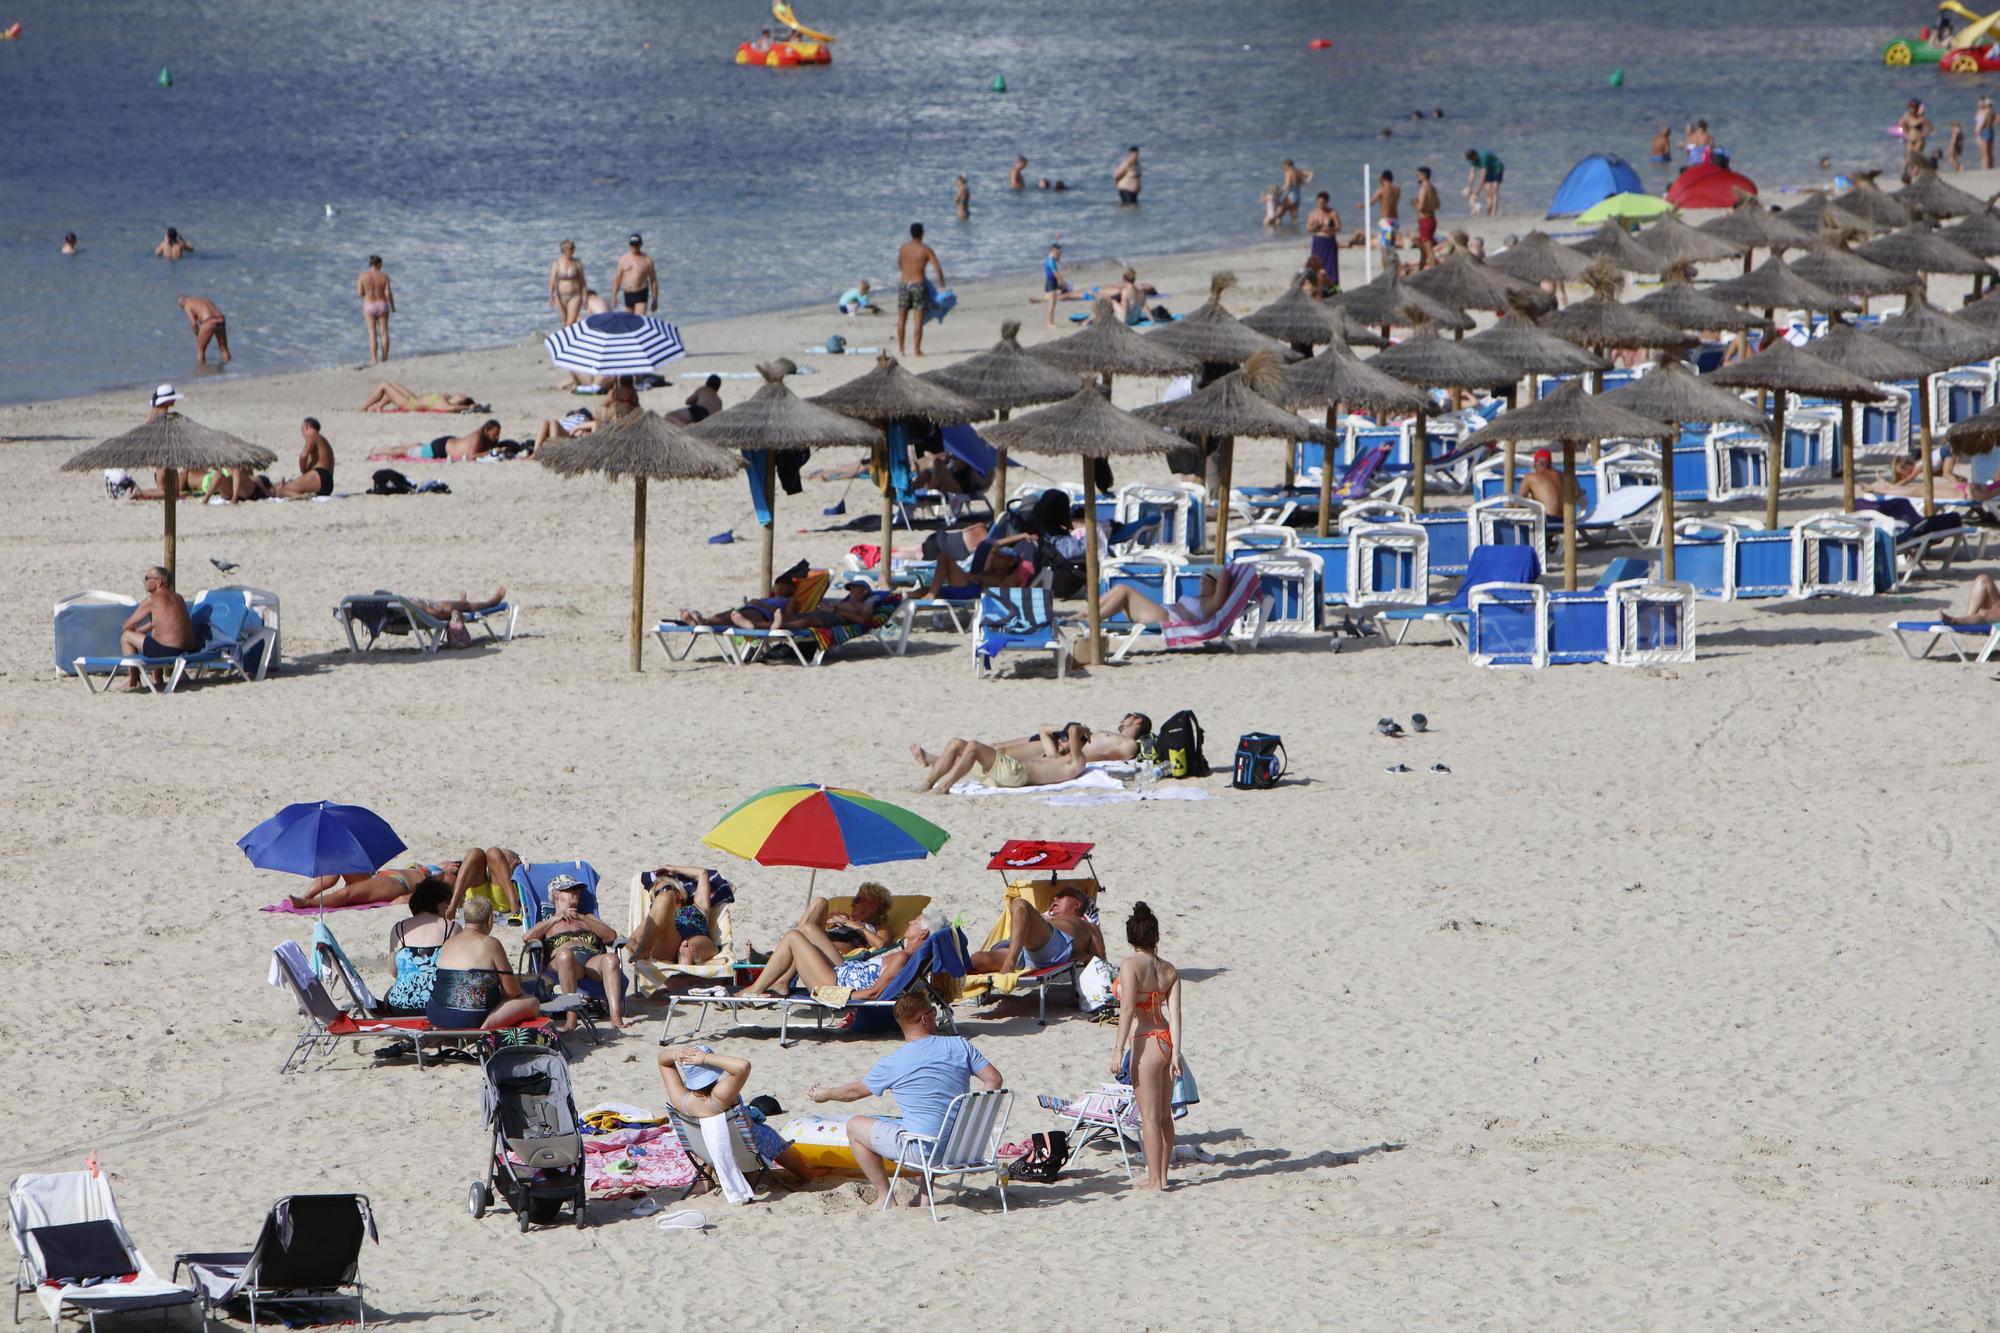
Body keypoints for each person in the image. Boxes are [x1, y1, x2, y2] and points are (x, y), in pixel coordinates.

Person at [807, 990, 1003, 1209]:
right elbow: (994, 1080)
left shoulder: (895, 1062)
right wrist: (973, 1126)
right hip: (963, 1148)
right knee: (934, 1120)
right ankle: (924, 1195)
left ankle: (885, 1197)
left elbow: (854, 1092)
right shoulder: (960, 1046)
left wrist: (827, 1094)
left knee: (854, 1127)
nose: (936, 1015)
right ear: (924, 1018)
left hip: (926, 1152)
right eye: (934, 1011)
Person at [657, 1047, 816, 1188]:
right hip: (741, 1153)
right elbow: (743, 1066)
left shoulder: (682, 1100)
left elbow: (663, 1061)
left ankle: (704, 1181)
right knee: (769, 1134)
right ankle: (807, 1174)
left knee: (703, 1130)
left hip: (709, 1154)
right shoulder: (720, 1097)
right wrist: (705, 1058)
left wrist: (677, 1054)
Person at [1110, 901, 1183, 1191]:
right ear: (1156, 937)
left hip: (1144, 1041)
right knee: (1164, 1116)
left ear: (1131, 938)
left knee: (1149, 1116)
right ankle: (1162, 1176)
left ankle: (1155, 1180)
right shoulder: (1169, 970)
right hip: (1165, 1038)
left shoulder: (1129, 966)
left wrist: (1117, 1050)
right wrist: (1176, 1051)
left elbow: (1127, 1010)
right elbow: (1175, 1013)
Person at [733, 908, 947, 1001]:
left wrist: (838, 996)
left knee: (792, 937)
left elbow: (873, 994)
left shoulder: (902, 959)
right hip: (844, 970)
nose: (910, 922)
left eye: (916, 922)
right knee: (807, 928)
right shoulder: (903, 955)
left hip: (835, 983)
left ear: (924, 933)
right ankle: (782, 980)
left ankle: (755, 989)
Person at [523, 874, 628, 1031]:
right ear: (556, 894)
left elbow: (610, 937)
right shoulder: (547, 922)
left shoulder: (588, 917)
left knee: (611, 959)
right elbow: (527, 938)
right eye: (570, 889)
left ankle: (616, 1017)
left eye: (578, 890)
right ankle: (571, 1018)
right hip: (562, 962)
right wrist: (554, 919)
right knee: (566, 955)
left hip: (591, 961)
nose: (576, 892)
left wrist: (582, 918)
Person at [289, 845, 520, 913]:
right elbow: (344, 893)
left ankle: (309, 902)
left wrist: (434, 869)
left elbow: (346, 894)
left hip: (407, 882)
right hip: (462, 890)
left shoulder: (376, 882)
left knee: (489, 853)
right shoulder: (376, 884)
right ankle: (308, 896)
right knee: (338, 860)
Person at [428, 899, 541, 1031]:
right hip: (470, 1019)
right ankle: (487, 1026)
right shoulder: (491, 943)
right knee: (532, 1003)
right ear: (490, 920)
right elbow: (512, 992)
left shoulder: (449, 942)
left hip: (436, 1014)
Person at [910, 723, 1091, 794]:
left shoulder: (1076, 762)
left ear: (1078, 744)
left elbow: (1074, 729)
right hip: (1001, 774)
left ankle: (944, 787)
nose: (1061, 740)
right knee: (956, 743)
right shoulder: (1054, 754)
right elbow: (1044, 728)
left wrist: (1083, 730)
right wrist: (1063, 734)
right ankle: (928, 782)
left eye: (1066, 740)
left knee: (973, 745)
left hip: (1016, 775)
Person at [968, 882, 1103, 975]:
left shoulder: (1089, 926)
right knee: (978, 958)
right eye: (1055, 898)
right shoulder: (1047, 919)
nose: (1055, 898)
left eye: (1062, 896)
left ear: (1077, 903)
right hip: (1026, 953)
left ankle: (1009, 964)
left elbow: (1102, 965)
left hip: (1054, 946)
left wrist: (1086, 957)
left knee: (1019, 904)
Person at [380, 878, 459, 1015]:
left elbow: (394, 972)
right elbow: (458, 970)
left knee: (390, 993)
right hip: (439, 1007)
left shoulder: (398, 928)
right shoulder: (451, 927)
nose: (449, 907)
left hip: (400, 1007)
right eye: (447, 903)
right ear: (439, 903)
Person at [626, 864, 731, 966]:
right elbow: (631, 940)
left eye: (665, 889)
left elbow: (702, 873)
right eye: (656, 895)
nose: (662, 894)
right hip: (670, 940)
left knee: (690, 947)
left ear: (679, 893)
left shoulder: (698, 906)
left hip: (695, 936)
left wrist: (674, 869)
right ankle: (687, 960)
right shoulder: (655, 918)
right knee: (665, 899)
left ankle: (686, 958)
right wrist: (635, 945)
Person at [119, 565, 195, 690]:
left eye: (147, 578)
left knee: (126, 636)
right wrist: (149, 626)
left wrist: (136, 631)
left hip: (168, 651)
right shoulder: (178, 597)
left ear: (158, 582)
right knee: (156, 634)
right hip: (188, 649)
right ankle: (157, 678)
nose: (145, 581)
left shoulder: (153, 600)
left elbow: (127, 625)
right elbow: (166, 625)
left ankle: (134, 680)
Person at [1092, 566, 1238, 630]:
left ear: (1217, 586)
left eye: (1207, 581)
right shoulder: (1202, 599)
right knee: (1119, 589)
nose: (1202, 583)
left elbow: (1226, 573)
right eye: (1201, 580)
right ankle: (1088, 614)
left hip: (1167, 618)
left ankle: (1091, 619)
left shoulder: (1213, 603)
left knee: (1124, 590)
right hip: (1163, 611)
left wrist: (1230, 569)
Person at [989, 711, 1151, 763]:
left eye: (1128, 716)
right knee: (996, 746)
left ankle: (967, 757)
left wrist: (1068, 758)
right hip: (1060, 738)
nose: (1122, 719)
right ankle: (965, 754)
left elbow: (1105, 756)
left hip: (1059, 748)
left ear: (1138, 720)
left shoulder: (1130, 744)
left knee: (1002, 752)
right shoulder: (1116, 736)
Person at [896, 222, 945, 357]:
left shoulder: (903, 249)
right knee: (917, 319)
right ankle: (916, 350)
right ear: (922, 233)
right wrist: (941, 286)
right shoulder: (925, 250)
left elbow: (900, 265)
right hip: (918, 284)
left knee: (902, 319)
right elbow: (938, 269)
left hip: (904, 284)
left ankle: (901, 350)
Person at [369, 419, 504, 461]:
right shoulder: (477, 436)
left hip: (448, 443)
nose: (496, 438)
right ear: (487, 430)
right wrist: (491, 452)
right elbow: (470, 456)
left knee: (417, 447)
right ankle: (378, 450)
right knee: (406, 452)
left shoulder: (485, 438)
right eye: (495, 434)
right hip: (441, 448)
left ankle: (386, 449)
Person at [269, 417, 336, 498]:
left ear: (306, 427)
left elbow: (303, 456)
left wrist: (303, 471)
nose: (303, 434)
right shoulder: (323, 440)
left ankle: (303, 496)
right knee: (286, 486)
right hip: (328, 484)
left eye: (302, 431)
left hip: (319, 476)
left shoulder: (312, 436)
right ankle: (303, 495)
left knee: (281, 490)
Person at [1518, 446, 1578, 514]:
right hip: (1565, 520)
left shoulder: (1530, 478)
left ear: (1535, 464)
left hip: (1548, 520)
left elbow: (1518, 503)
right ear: (1550, 464)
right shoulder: (1562, 475)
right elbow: (1577, 493)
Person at [357, 255, 395, 364]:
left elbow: (360, 293)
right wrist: (392, 306)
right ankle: (385, 358)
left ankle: (374, 359)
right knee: (384, 332)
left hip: (369, 305)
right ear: (378, 264)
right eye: (381, 264)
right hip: (382, 304)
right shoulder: (384, 276)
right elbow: (388, 293)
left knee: (372, 332)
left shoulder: (362, 276)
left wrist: (368, 294)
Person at [358, 382, 482, 413]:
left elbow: (451, 409)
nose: (458, 394)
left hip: (410, 405)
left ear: (459, 402)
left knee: (384, 385)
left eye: (460, 396)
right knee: (393, 384)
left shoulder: (445, 405)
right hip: (414, 398)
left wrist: (468, 406)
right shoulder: (447, 397)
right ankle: (378, 406)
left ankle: (363, 407)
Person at [613, 233, 659, 314]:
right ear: (629, 245)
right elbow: (617, 279)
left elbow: (653, 281)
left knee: (639, 320)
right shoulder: (623, 259)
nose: (634, 247)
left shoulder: (647, 260)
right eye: (632, 245)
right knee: (629, 323)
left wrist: (655, 300)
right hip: (628, 293)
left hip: (641, 293)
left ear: (641, 244)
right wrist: (614, 297)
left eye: (636, 245)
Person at [178, 294, 229, 365]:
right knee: (223, 347)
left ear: (182, 302)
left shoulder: (187, 305)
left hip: (208, 321)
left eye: (182, 307)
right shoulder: (205, 300)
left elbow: (194, 324)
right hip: (221, 319)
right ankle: (229, 368)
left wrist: (197, 334)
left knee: (200, 348)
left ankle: (201, 371)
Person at [1306, 192, 1342, 291]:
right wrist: (1315, 227)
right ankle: (1316, 285)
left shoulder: (1332, 212)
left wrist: (1330, 228)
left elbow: (1338, 227)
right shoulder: (1313, 213)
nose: (1321, 205)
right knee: (1316, 264)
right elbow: (1308, 228)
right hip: (1318, 241)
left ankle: (1333, 287)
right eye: (1319, 203)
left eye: (1323, 203)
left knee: (1331, 266)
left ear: (1326, 202)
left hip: (1329, 241)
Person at [547, 239, 587, 326]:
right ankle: (569, 338)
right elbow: (552, 281)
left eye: (573, 248)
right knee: (564, 322)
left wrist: (585, 297)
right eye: (570, 248)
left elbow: (583, 281)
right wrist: (550, 295)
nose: (572, 250)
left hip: (575, 295)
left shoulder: (577, 263)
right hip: (561, 296)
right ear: (564, 249)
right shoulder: (557, 263)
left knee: (570, 322)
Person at [1413, 166, 1441, 268]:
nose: (1417, 177)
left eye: (1419, 175)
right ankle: (1420, 269)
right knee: (1423, 249)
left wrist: (1415, 204)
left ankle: (1434, 271)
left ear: (1424, 175)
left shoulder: (1423, 188)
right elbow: (1438, 205)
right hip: (1432, 219)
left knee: (1429, 251)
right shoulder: (1432, 188)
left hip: (1425, 221)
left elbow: (1421, 207)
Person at [1900, 99, 1933, 183]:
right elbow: (1901, 125)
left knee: (1916, 157)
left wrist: (1924, 134)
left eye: (1913, 108)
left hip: (1919, 140)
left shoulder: (1921, 117)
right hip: (1910, 140)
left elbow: (1930, 127)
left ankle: (1912, 176)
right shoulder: (1906, 116)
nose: (1912, 109)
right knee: (1907, 157)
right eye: (1911, 108)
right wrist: (1906, 134)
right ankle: (1903, 174)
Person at [1368, 169, 1401, 252]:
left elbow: (1370, 202)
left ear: (1382, 178)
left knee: (1386, 246)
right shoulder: (1397, 189)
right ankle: (1392, 264)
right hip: (1395, 221)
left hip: (1387, 223)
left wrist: (1360, 205)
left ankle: (1387, 264)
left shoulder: (1382, 190)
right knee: (1391, 245)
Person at [1463, 148, 1503, 216]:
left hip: (1497, 168)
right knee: (1488, 191)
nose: (1472, 161)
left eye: (1472, 159)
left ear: (1475, 156)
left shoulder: (1483, 158)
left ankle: (1494, 212)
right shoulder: (1473, 159)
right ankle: (1488, 211)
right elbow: (1472, 173)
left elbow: (1482, 177)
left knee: (1494, 189)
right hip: (1488, 170)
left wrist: (1476, 192)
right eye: (1470, 160)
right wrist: (1469, 186)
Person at [1043, 239, 1071, 327]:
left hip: (1051, 282)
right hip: (1051, 283)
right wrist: (1063, 283)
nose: (1059, 255)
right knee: (1051, 304)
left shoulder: (1050, 259)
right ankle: (1049, 323)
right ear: (1054, 251)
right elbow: (1056, 274)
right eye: (1058, 253)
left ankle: (1051, 322)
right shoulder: (1051, 261)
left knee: (1053, 303)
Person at [1276, 158, 1309, 226]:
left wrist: (1279, 192)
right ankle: (1295, 233)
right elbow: (1311, 173)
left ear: (1287, 165)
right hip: (1297, 197)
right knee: (1294, 218)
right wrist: (1307, 181)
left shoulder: (1288, 172)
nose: (1283, 167)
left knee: (1279, 216)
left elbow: (1287, 184)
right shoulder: (1299, 172)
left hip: (1290, 196)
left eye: (1284, 166)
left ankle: (1276, 234)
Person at [1978, 96, 1996, 171]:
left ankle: (1985, 167)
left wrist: (1979, 129)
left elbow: (1983, 122)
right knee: (1989, 151)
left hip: (1985, 130)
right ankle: (1990, 166)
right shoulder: (1992, 111)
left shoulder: (1986, 111)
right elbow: (1994, 120)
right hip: (1990, 129)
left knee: (1984, 151)